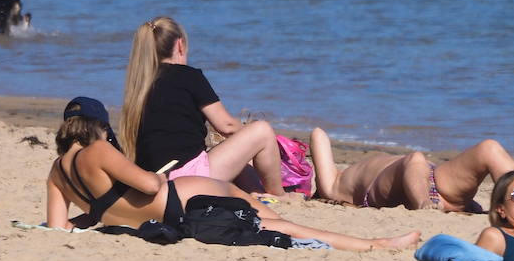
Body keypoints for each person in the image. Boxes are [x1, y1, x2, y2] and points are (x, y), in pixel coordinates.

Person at [44, 97, 420, 252]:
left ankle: (372, 243)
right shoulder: (99, 149)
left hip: (164, 214)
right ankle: (374, 244)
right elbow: (149, 183)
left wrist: (97, 214)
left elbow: (59, 227)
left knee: (271, 222)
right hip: (182, 196)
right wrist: (145, 174)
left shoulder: (57, 172)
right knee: (277, 220)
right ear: (100, 128)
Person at [117, 16, 285, 195]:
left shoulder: (140, 86)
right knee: (262, 131)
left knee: (230, 158)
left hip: (155, 177)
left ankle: (256, 192)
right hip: (187, 177)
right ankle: (278, 195)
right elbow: (226, 126)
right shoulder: (188, 76)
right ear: (180, 45)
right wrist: (257, 138)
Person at [306, 127, 514, 212]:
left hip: (432, 183)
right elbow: (318, 133)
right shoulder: (331, 187)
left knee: (489, 148)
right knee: (415, 159)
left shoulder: (334, 182)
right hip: (424, 182)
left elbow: (318, 134)